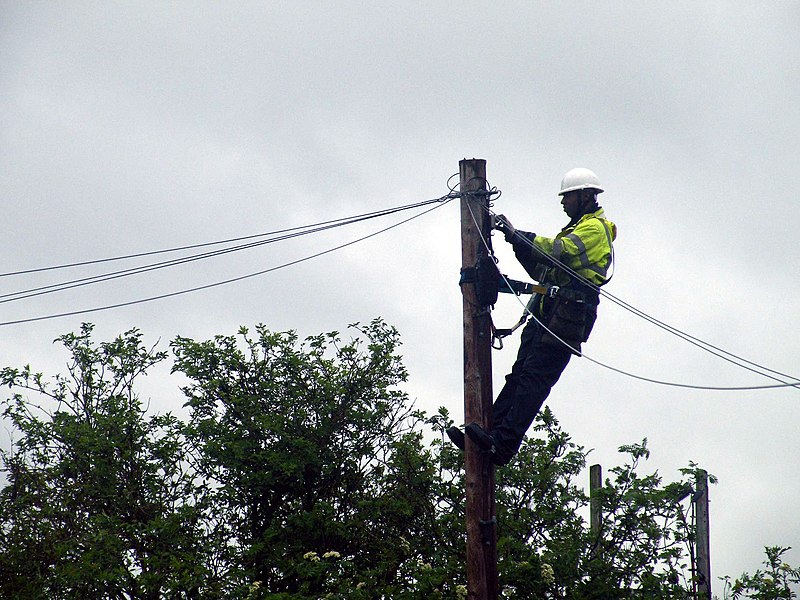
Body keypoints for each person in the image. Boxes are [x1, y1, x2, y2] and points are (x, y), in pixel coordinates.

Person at [447, 167, 617, 465]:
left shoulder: (594, 229)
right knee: (519, 377)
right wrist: (514, 242)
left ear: (586, 196)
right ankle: (488, 433)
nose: (563, 203)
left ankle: (503, 445)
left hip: (568, 317)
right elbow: (544, 271)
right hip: (550, 314)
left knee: (533, 381)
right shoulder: (579, 228)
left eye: (568, 197)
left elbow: (556, 251)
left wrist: (517, 235)